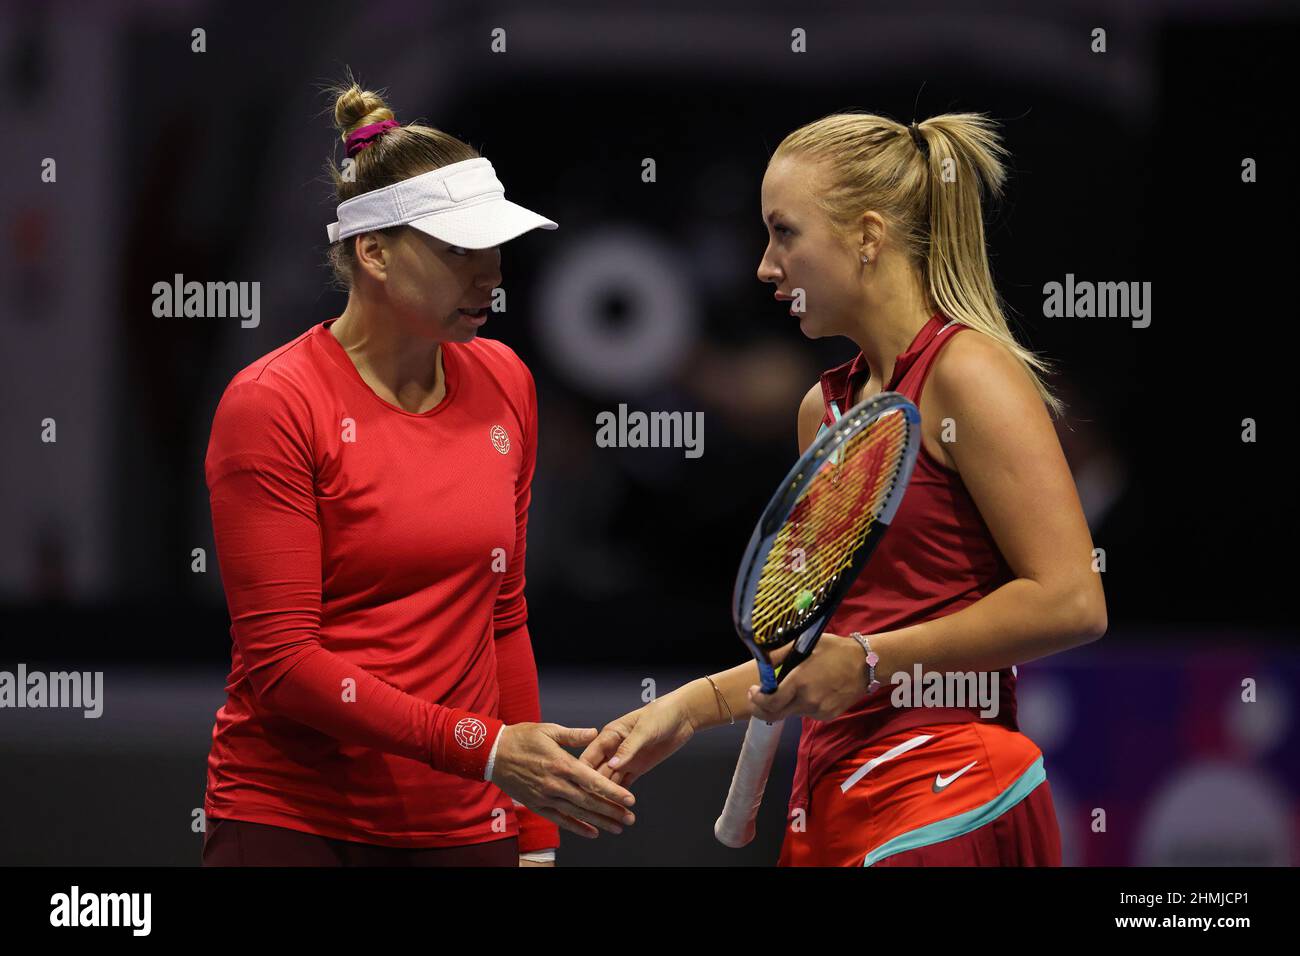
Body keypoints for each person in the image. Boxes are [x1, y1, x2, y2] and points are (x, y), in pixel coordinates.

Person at [580, 112, 1107, 866]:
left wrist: (866, 661)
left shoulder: (970, 376)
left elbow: (1072, 600)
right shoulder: (821, 411)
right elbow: (811, 650)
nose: (765, 266)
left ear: (866, 235)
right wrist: (687, 710)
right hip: (831, 800)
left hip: (950, 795)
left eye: (784, 233)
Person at [201, 73, 635, 867]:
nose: (491, 274)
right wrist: (488, 750)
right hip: (296, 825)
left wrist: (533, 830)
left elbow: (504, 616)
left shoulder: (506, 381)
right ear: (373, 253)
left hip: (465, 826)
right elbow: (284, 667)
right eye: (459, 251)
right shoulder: (271, 404)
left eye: (494, 247)